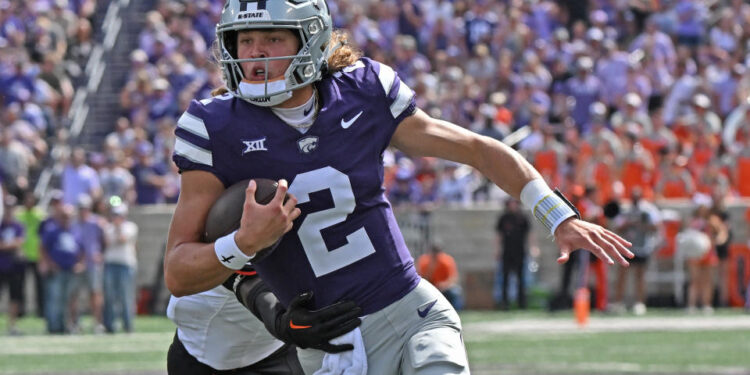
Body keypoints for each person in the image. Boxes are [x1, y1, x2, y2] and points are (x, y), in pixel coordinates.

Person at [164, 1, 633, 373]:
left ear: (311, 40)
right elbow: (178, 272)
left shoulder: (365, 91)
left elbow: (478, 150)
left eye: (272, 38)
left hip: (410, 309)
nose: (256, 54)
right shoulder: (214, 126)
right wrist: (243, 243)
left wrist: (557, 215)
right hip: (331, 346)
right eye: (245, 40)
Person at [611, 187, 661, 315]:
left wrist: (641, 224)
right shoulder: (625, 210)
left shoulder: (648, 210)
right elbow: (617, 226)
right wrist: (628, 224)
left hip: (642, 246)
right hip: (627, 246)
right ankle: (618, 302)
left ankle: (640, 302)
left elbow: (656, 226)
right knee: (622, 275)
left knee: (640, 275)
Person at [102, 204, 138, 333]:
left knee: (126, 296)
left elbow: (122, 239)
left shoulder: (131, 227)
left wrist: (117, 229)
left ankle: (128, 325)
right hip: (110, 264)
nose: (116, 218)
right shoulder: (108, 228)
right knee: (110, 296)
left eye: (119, 215)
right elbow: (106, 242)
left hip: (126, 265)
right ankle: (110, 326)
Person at [495, 197, 533, 310]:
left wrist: (533, 248)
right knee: (505, 277)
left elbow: (529, 234)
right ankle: (504, 303)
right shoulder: (503, 218)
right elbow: (499, 235)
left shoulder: (522, 218)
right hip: (507, 251)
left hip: (520, 251)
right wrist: (497, 250)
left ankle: (522, 302)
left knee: (521, 278)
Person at [0, 195, 26, 335]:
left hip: (14, 267)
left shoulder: (18, 225)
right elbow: (15, 243)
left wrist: (5, 245)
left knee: (14, 297)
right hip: (1, 266)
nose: (9, 210)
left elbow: (20, 242)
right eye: (7, 206)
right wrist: (12, 245)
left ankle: (12, 325)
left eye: (12, 207)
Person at [416, 240, 463, 310]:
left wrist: (444, 285)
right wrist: (431, 268)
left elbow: (453, 278)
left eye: (437, 252)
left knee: (454, 292)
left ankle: (456, 312)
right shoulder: (424, 261)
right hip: (429, 287)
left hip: (443, 288)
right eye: (434, 252)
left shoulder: (447, 261)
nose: (435, 255)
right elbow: (420, 278)